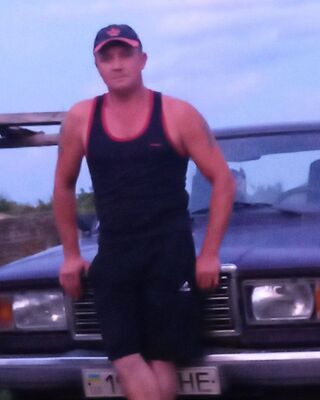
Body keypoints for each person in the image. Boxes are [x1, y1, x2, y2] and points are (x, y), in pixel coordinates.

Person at [53, 24, 235, 400]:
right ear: (98, 66)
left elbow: (222, 179)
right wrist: (70, 254)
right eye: (107, 57)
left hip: (168, 253)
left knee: (161, 359)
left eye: (126, 54)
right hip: (114, 253)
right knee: (125, 357)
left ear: (143, 60)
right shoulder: (81, 118)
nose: (117, 64)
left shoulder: (177, 114)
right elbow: (64, 184)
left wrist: (210, 253)